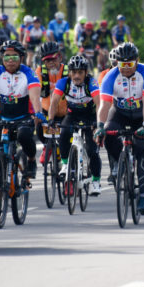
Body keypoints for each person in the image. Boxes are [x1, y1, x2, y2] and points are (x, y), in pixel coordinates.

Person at [96, 42, 144, 215]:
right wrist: (100, 127)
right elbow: (105, 105)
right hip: (120, 113)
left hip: (141, 115)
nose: (126, 68)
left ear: (137, 62)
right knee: (108, 132)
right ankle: (118, 162)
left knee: (143, 151)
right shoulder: (110, 76)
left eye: (130, 64)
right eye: (122, 64)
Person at [0, 40, 42, 178]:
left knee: (24, 136)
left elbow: (34, 97)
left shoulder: (29, 74)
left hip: (24, 118)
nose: (10, 60)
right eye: (7, 56)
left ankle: (31, 161)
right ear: (2, 58)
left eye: (14, 57)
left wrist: (38, 112)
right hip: (2, 118)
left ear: (21, 58)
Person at [48, 55, 103, 196]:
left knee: (92, 150)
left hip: (90, 116)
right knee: (64, 134)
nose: (76, 75)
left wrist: (98, 123)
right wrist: (51, 120)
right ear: (69, 72)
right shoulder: (64, 83)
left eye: (80, 72)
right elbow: (54, 102)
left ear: (85, 73)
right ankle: (66, 164)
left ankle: (96, 181)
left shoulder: (91, 83)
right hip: (72, 115)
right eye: (74, 72)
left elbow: (98, 103)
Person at [36, 41, 68, 163]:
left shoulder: (68, 71)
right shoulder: (40, 72)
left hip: (65, 112)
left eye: (54, 59)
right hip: (46, 110)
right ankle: (47, 146)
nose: (51, 63)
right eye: (47, 61)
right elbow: (35, 90)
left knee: (66, 138)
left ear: (60, 57)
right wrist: (36, 111)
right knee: (38, 125)